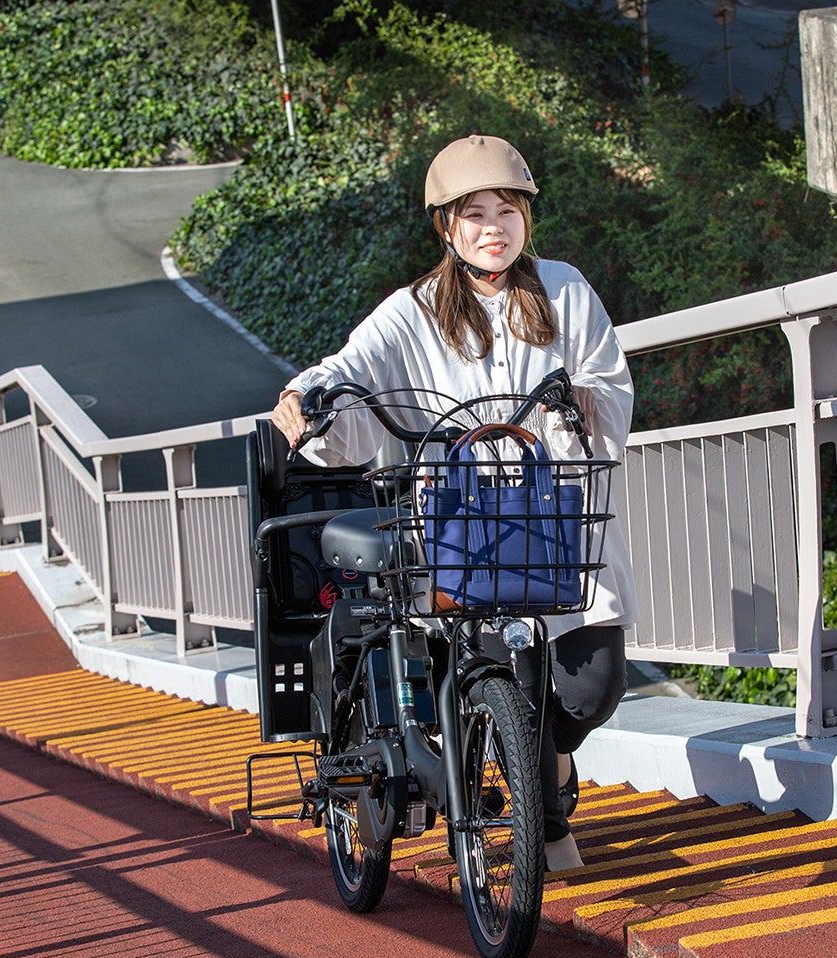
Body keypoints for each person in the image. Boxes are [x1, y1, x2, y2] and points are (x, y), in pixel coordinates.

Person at [271, 133, 636, 871]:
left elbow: (611, 384)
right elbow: (350, 367)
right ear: (447, 227)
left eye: (507, 209)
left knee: (589, 690)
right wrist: (304, 397)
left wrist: (585, 403)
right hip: (461, 526)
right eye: (473, 214)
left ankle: (551, 771)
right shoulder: (414, 311)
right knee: (504, 667)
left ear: (528, 217)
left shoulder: (564, 289)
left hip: (552, 515)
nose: (493, 227)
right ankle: (542, 817)